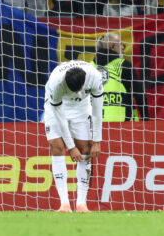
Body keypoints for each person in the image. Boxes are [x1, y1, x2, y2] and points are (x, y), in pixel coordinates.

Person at [43, 60, 104, 212]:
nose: (76, 92)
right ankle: (64, 204)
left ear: (84, 83)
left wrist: (97, 140)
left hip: (81, 107)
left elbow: (97, 110)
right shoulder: (56, 84)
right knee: (57, 147)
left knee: (85, 150)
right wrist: (70, 147)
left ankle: (81, 203)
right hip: (57, 106)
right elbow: (60, 119)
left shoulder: (95, 77)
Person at [94, 32, 146, 121]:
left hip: (94, 124)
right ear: (112, 46)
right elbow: (139, 95)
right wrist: (146, 120)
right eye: (121, 44)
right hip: (122, 124)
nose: (123, 48)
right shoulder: (123, 65)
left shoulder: (89, 67)